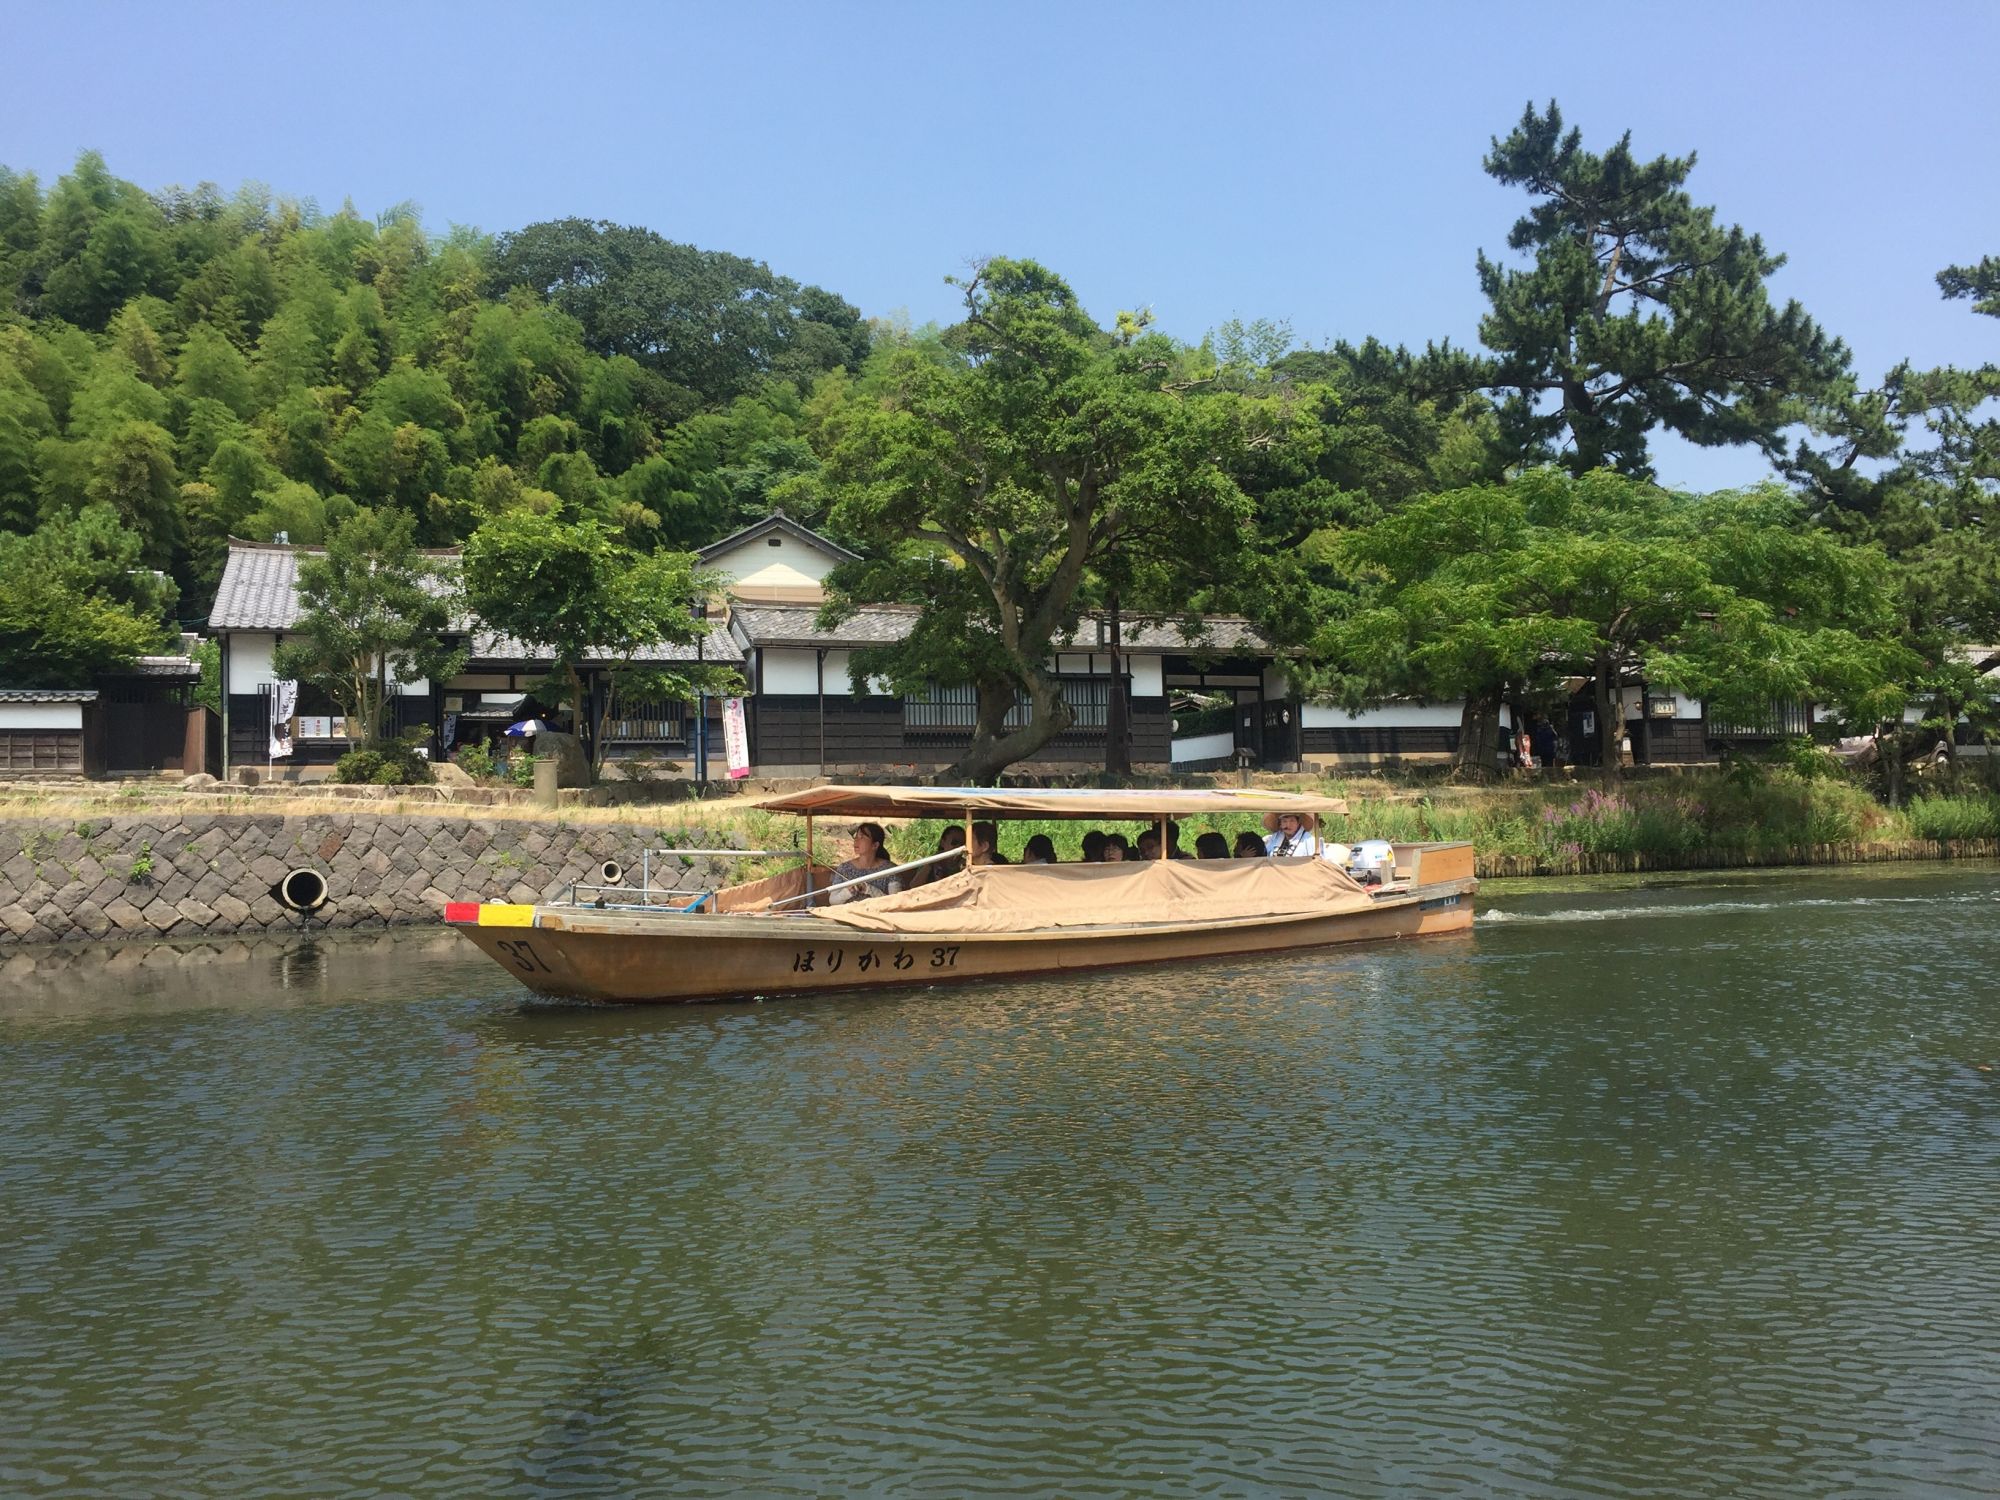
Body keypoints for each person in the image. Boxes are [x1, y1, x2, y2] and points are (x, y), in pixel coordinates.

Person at [829, 822, 901, 904]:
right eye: (855, 837)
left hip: (878, 915)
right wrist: (848, 891)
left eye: (861, 837)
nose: (856, 840)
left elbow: (895, 902)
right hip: (848, 915)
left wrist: (868, 889)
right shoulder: (844, 868)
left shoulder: (890, 870)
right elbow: (833, 901)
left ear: (875, 845)